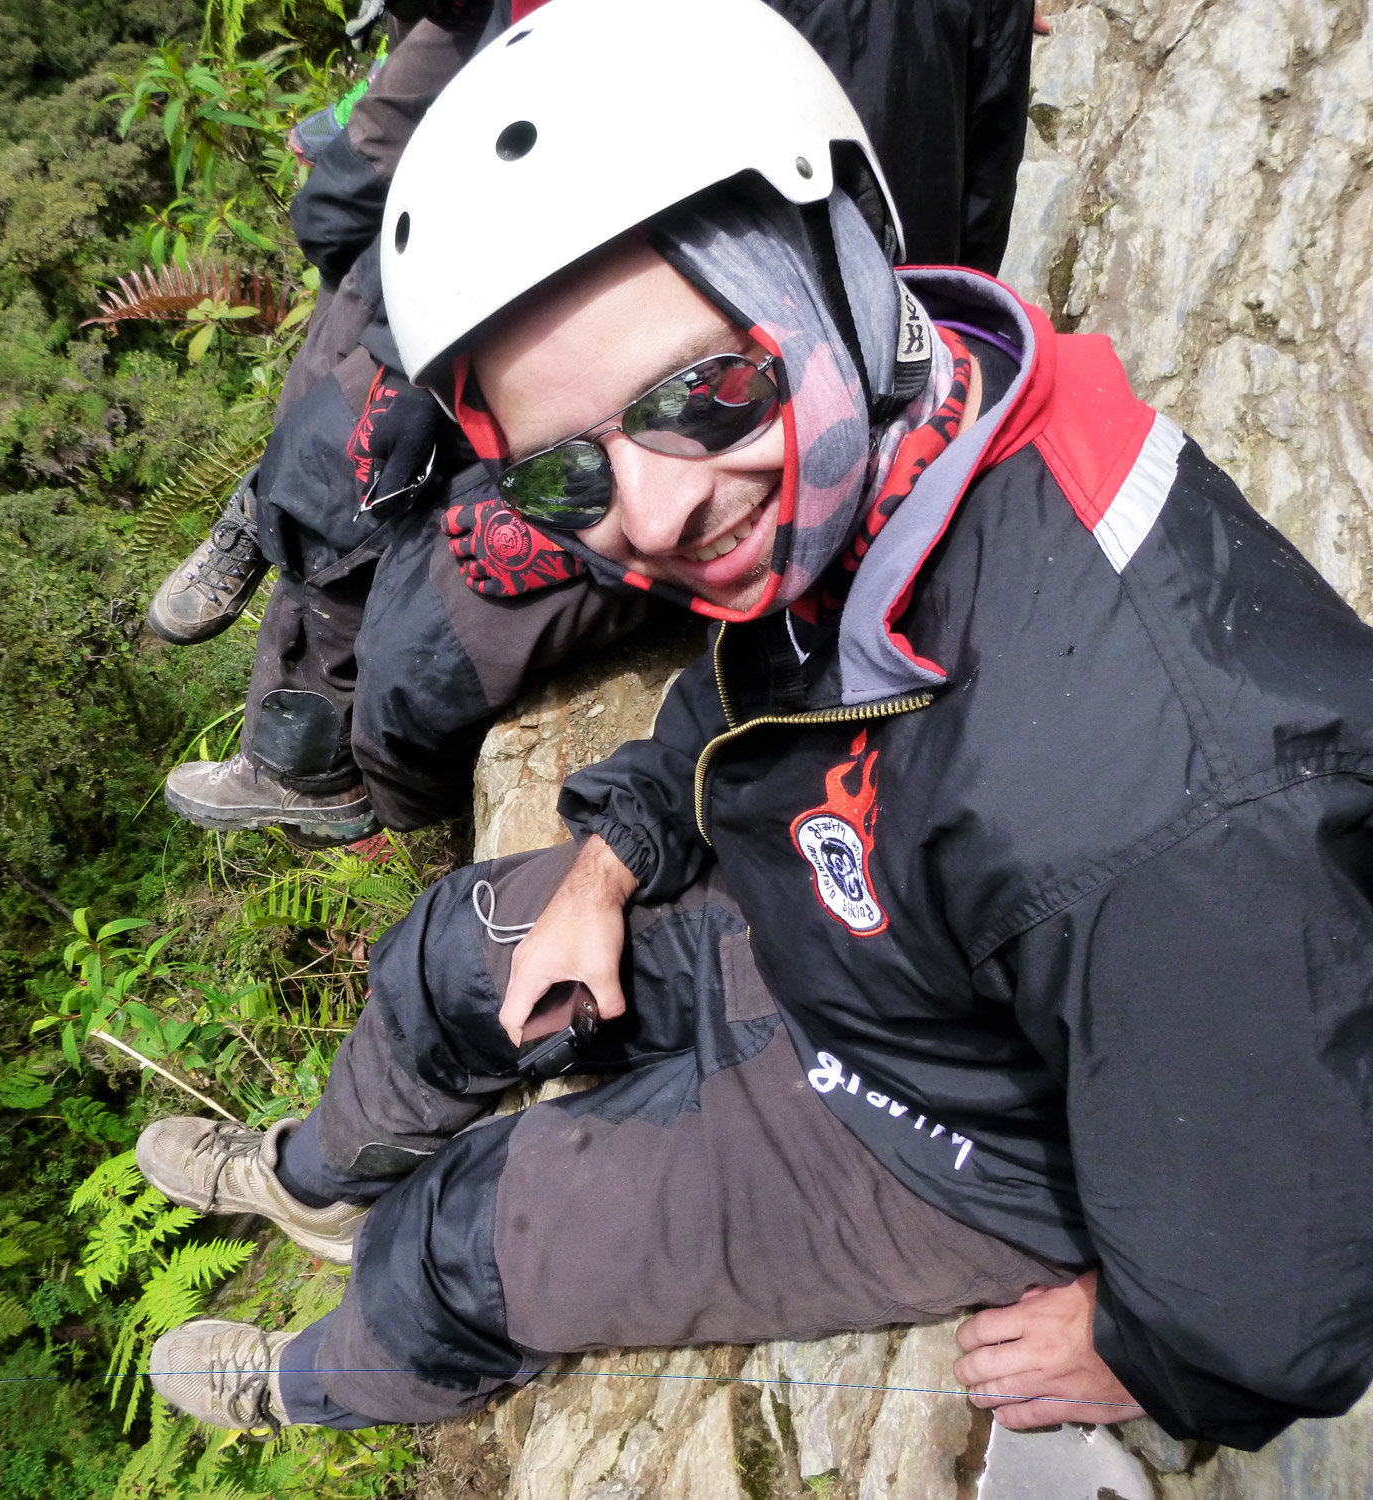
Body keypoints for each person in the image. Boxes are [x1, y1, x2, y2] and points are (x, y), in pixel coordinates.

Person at [130, 0, 1373, 1449]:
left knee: (482, 1237)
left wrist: (1161, 1359)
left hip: (967, 1130)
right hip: (885, 942)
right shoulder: (903, 444)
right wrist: (604, 870)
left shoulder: (1170, 809)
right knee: (459, 951)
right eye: (558, 478)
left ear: (834, 266)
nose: (650, 511)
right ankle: (315, 1180)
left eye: (698, 395)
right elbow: (762, 683)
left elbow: (1293, 1282)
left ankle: (318, 1382)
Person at [149, 0, 1038, 845]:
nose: (653, 520)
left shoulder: (868, 30)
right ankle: (287, 660)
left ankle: (355, 790)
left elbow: (867, 262)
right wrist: (419, 365)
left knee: (416, 646)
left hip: (748, 377)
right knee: (330, 454)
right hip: (602, 305)